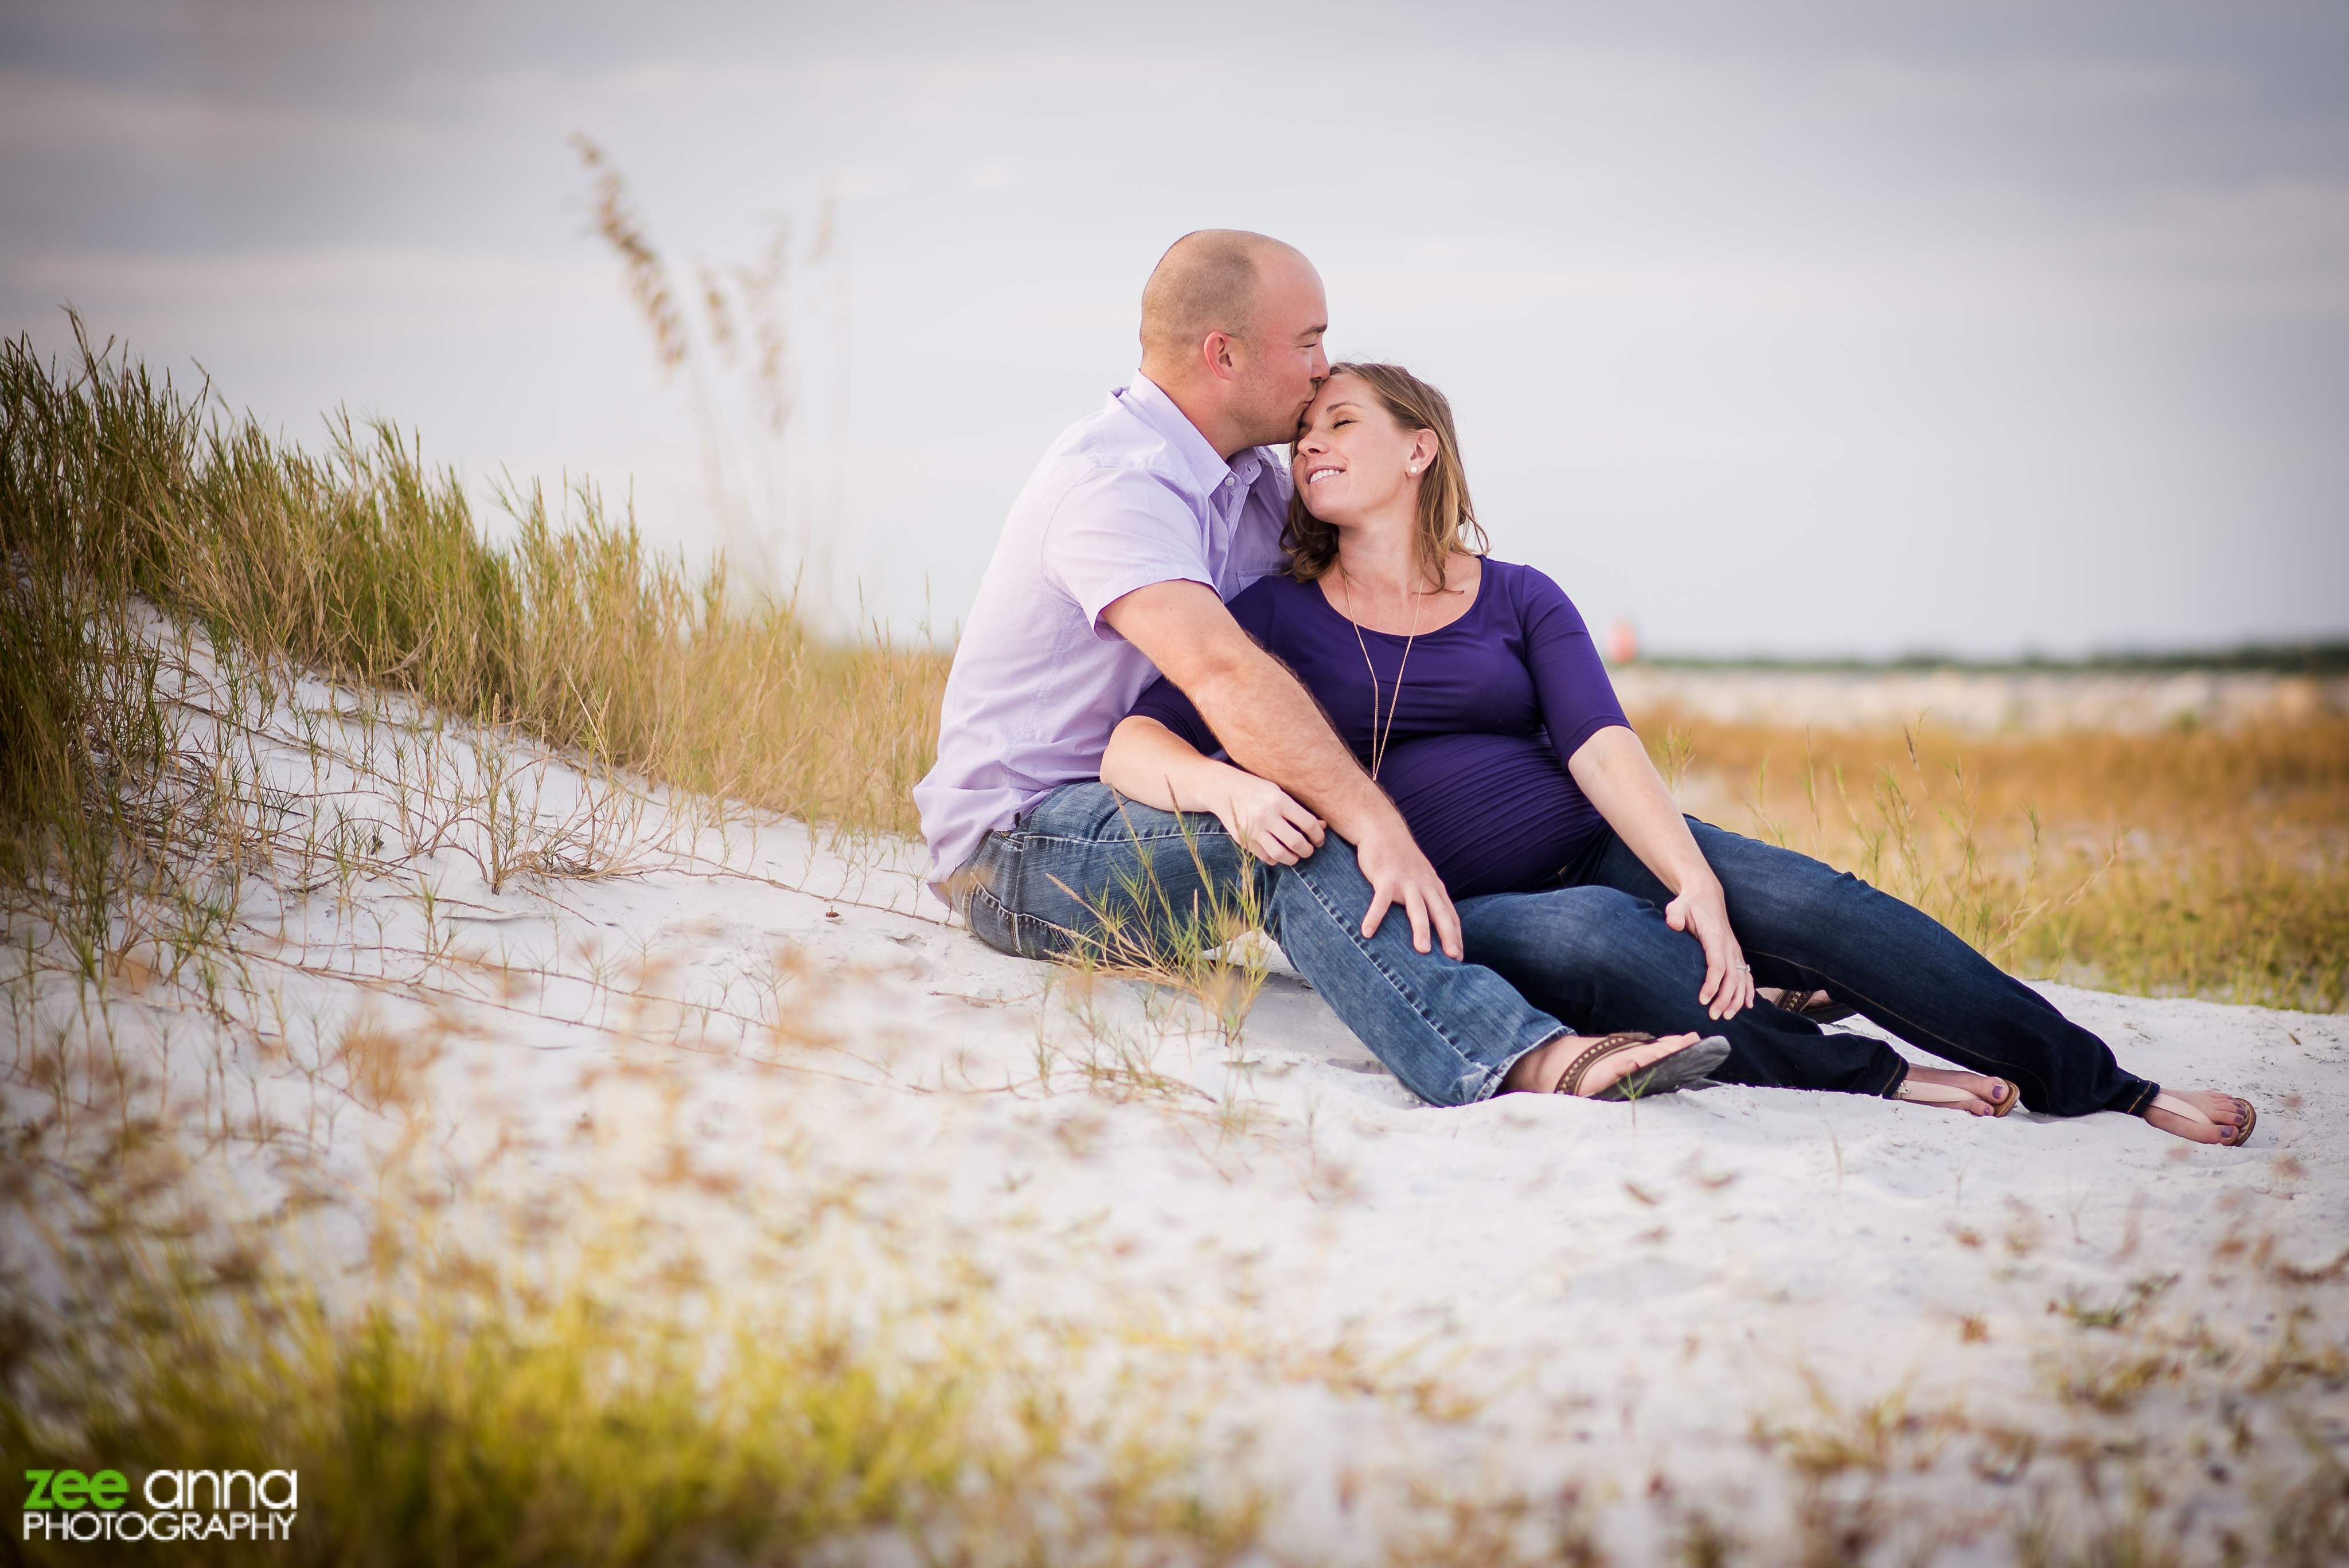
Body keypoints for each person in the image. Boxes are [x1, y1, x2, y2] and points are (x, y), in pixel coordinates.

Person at [1101, 361, 2259, 1146]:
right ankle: (1872, 1075)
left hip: (1600, 841)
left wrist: (1696, 881)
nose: (1310, 443)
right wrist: (1224, 788)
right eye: (1303, 431)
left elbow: (1601, 746)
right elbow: (1132, 743)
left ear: (1419, 450)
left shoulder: (1516, 596)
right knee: (1605, 944)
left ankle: (2109, 1085)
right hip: (1467, 909)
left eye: (1338, 420)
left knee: (1820, 908)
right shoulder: (1270, 611)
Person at [916, 230, 1726, 1105]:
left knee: (1345, 805)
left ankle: (1734, 978)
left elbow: (1363, 607)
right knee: (1296, 828)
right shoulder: (1115, 485)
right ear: (1222, 355)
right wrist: (1370, 822)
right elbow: (1224, 674)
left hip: (1162, 802)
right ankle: (1516, 1056)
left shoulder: (1258, 485)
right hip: (1023, 849)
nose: (1322, 368)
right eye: (1307, 342)